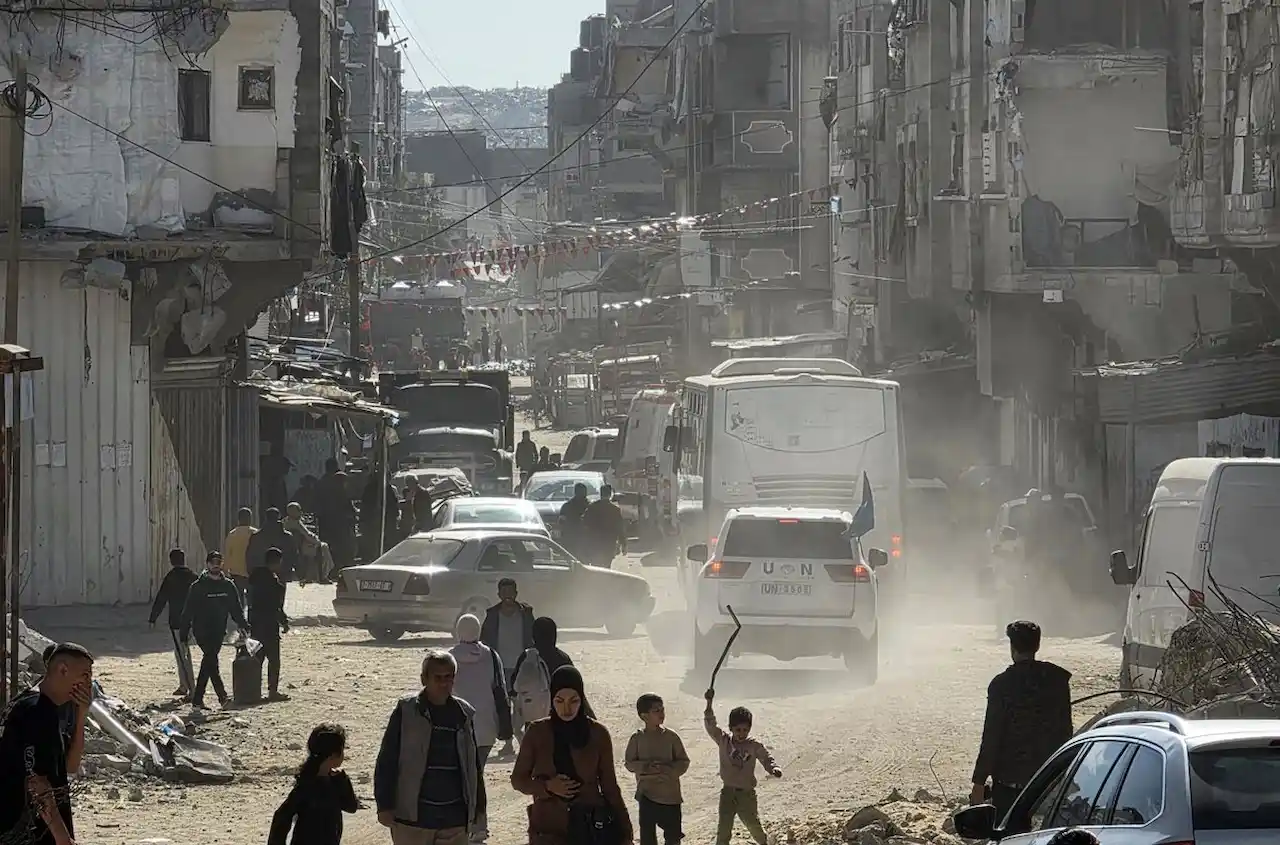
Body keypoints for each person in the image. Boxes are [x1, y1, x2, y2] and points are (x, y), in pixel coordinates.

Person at [374, 650, 487, 845]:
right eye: (438, 678)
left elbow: (473, 766)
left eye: (448, 677)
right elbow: (387, 759)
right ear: (424, 679)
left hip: (454, 818)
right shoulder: (407, 711)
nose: (444, 683)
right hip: (414, 819)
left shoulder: (463, 714)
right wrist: (384, 805)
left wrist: (479, 808)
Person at [512, 666, 633, 845]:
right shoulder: (538, 733)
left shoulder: (597, 734)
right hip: (548, 829)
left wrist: (625, 832)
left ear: (582, 699)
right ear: (552, 699)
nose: (566, 709)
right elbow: (518, 780)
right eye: (559, 701)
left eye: (573, 701)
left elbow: (609, 787)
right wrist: (547, 786)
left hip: (589, 828)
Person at [970, 620, 1073, 818]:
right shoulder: (1057, 680)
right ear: (1037, 645)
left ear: (1012, 647)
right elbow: (1066, 730)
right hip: (1049, 781)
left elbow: (992, 736)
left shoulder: (1002, 685)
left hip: (1011, 785)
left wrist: (979, 783)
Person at [0, 642, 94, 845]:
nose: (89, 683)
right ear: (63, 670)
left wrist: (81, 715)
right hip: (27, 832)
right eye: (85, 675)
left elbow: (70, 766)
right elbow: (37, 783)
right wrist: (62, 839)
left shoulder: (43, 708)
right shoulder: (36, 711)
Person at [449, 614, 513, 843]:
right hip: (486, 727)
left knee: (461, 779)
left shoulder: (448, 658)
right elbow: (500, 691)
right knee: (476, 776)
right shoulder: (491, 655)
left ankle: (462, 825)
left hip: (457, 729)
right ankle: (479, 826)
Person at [703, 688, 781, 845]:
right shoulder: (724, 741)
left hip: (746, 795)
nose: (741, 733)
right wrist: (709, 702)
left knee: (753, 825)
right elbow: (710, 724)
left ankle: (766, 842)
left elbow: (766, 757)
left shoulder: (753, 745)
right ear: (731, 728)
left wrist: (774, 768)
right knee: (724, 828)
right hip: (728, 793)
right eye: (738, 729)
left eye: (745, 730)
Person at [268, 723, 359, 845]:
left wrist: (343, 780)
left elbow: (351, 807)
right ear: (333, 755)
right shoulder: (307, 785)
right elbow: (282, 817)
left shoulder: (334, 780)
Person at [181, 551, 249, 709]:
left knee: (210, 662)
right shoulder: (198, 587)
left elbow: (236, 609)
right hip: (202, 631)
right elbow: (188, 611)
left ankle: (197, 701)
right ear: (207, 564)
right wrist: (184, 633)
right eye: (212, 562)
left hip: (219, 631)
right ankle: (223, 698)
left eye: (218, 561)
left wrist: (243, 624)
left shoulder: (228, 586)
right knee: (210, 658)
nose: (216, 564)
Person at [625, 694, 689, 845]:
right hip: (646, 795)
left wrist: (670, 770)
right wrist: (645, 767)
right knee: (647, 838)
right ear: (644, 716)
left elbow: (683, 761)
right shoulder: (637, 739)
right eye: (656, 711)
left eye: (662, 709)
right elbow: (629, 763)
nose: (661, 714)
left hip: (670, 797)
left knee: (673, 838)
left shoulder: (671, 737)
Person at [148, 548, 199, 698]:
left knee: (182, 655)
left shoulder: (170, 577)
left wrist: (153, 618)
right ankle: (185, 686)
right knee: (184, 654)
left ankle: (190, 689)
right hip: (191, 622)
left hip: (177, 622)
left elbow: (161, 599)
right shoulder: (193, 577)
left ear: (171, 561)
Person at [249, 547, 291, 702]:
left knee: (257, 659)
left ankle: (253, 691)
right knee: (273, 660)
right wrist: (284, 622)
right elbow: (276, 606)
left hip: (255, 623)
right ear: (277, 562)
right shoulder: (273, 582)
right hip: (269, 624)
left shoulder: (254, 578)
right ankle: (272, 691)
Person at [316, 459, 357, 571]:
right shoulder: (339, 491)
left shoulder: (322, 483)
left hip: (327, 522)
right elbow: (347, 508)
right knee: (340, 547)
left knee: (331, 546)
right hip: (338, 525)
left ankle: (333, 567)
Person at [284, 501, 334, 585]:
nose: (301, 512)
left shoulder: (285, 521)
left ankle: (314, 576)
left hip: (294, 546)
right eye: (299, 510)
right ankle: (323, 575)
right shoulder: (296, 523)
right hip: (300, 547)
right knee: (323, 547)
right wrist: (317, 540)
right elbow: (308, 535)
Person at [248, 507, 301, 581]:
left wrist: (250, 571)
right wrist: (296, 570)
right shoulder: (287, 536)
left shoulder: (256, 536)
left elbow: (250, 555)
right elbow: (294, 554)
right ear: (279, 517)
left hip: (261, 573)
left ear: (266, 517)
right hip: (282, 573)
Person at [583, 485, 627, 569]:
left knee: (595, 567)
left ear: (601, 494)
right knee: (606, 567)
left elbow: (585, 524)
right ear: (610, 494)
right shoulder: (615, 510)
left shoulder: (592, 507)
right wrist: (623, 544)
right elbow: (620, 528)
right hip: (609, 544)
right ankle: (605, 581)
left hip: (594, 543)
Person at [223, 507, 258, 595]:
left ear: (238, 519)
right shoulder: (256, 534)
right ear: (250, 518)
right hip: (252, 572)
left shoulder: (232, 534)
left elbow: (227, 554)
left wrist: (225, 571)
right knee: (252, 598)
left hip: (236, 572)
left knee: (238, 597)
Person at [557, 483, 591, 557]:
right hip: (584, 539)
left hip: (571, 538)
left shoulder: (567, 506)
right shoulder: (589, 506)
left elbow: (561, 522)